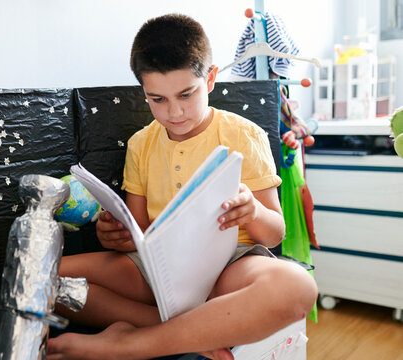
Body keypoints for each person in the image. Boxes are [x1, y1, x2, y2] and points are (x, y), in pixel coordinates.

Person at [48, 13, 317, 360]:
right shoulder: (141, 143)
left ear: (210, 79)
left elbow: (274, 234)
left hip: (228, 268)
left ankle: (130, 342)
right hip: (155, 269)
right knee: (42, 275)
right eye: (157, 99)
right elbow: (139, 230)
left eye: (186, 94)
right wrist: (112, 233)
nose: (174, 112)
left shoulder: (243, 134)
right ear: (144, 91)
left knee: (296, 286)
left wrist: (252, 210)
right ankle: (192, 332)